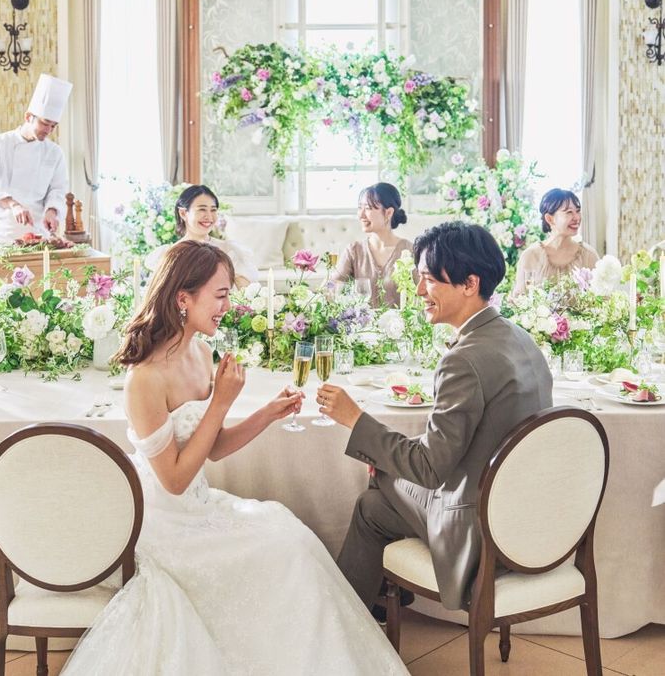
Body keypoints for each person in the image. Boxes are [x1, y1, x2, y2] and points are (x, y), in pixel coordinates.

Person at [60, 241, 407, 676]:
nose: (228, 306)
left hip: (201, 508)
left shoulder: (199, 352)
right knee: (282, 548)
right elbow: (173, 480)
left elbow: (214, 447)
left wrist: (268, 414)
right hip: (163, 521)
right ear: (183, 298)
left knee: (292, 536)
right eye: (220, 295)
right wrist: (222, 402)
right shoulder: (144, 378)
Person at [316, 222, 553, 617]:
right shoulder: (518, 336)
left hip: (484, 527)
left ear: (470, 283)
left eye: (428, 279)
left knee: (379, 482)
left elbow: (429, 469)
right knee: (374, 501)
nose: (419, 290)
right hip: (525, 514)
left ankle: (346, 619)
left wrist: (355, 419)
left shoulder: (464, 360)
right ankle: (376, 603)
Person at [0, 74, 72, 244]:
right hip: (3, 236)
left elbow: (58, 189)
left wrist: (51, 211)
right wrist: (14, 205)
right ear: (28, 117)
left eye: (53, 126)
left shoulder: (54, 152)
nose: (49, 130)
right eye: (45, 123)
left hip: (39, 236)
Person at [144, 184, 258, 289]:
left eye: (213, 210)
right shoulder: (168, 254)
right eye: (202, 209)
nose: (209, 216)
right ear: (183, 213)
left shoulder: (229, 250)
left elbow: (247, 295)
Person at [332, 182, 412, 307]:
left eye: (368, 208)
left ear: (388, 213)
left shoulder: (409, 251)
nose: (361, 215)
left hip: (400, 320)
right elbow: (331, 288)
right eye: (360, 208)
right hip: (362, 320)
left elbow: (423, 295)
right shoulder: (354, 251)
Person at [513, 188, 599, 296]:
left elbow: (602, 299)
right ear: (549, 219)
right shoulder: (530, 256)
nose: (577, 217)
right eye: (569, 212)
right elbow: (519, 300)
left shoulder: (589, 256)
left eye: (577, 211)